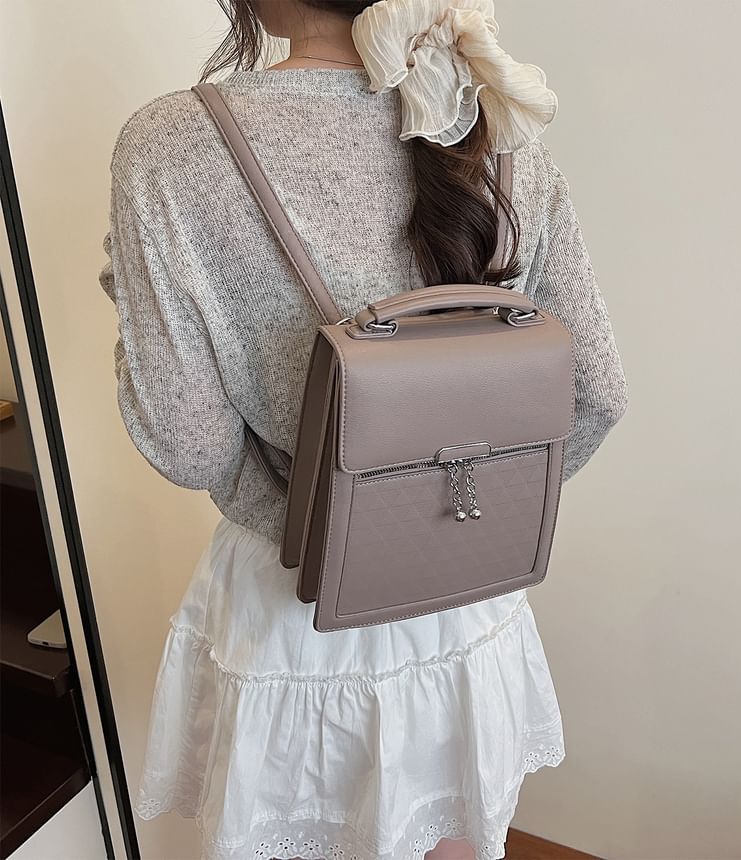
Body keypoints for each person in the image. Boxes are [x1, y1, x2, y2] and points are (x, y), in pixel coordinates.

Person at [98, 0, 629, 857]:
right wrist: (448, 503)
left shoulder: (172, 146)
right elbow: (597, 394)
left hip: (298, 615)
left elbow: (188, 443)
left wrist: (134, 312)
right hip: (467, 603)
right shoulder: (495, 118)